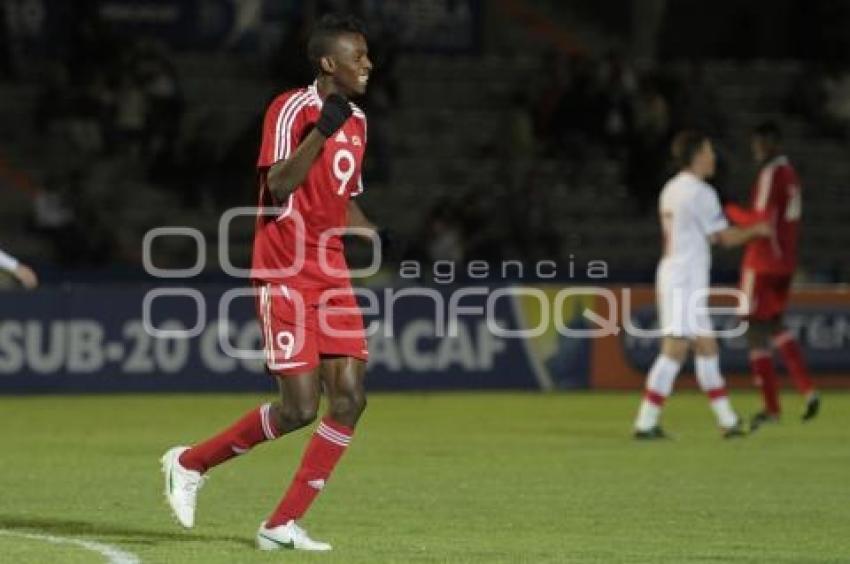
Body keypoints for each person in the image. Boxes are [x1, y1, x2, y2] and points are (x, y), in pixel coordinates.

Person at [162, 14, 377, 552]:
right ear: (330, 63)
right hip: (284, 269)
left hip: (332, 271)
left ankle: (281, 523)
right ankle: (190, 463)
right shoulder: (291, 109)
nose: (368, 64)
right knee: (299, 408)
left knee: (350, 399)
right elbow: (279, 184)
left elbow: (340, 195)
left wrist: (373, 233)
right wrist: (321, 130)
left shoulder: (359, 122)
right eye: (359, 56)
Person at [633, 130, 771, 440]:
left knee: (707, 346)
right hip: (683, 278)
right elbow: (723, 237)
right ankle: (645, 422)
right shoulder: (700, 193)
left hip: (681, 275)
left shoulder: (671, 189)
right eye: (709, 151)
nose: (713, 157)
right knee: (675, 349)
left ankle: (728, 421)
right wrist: (757, 230)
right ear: (696, 156)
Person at [724, 122, 819, 430]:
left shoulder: (771, 174)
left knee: (754, 331)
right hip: (785, 262)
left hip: (762, 263)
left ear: (769, 144)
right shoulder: (791, 174)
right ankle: (807, 389)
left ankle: (771, 408)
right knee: (776, 325)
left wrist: (730, 212)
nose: (755, 150)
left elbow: (762, 223)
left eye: (758, 144)